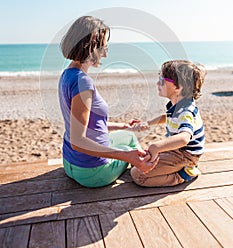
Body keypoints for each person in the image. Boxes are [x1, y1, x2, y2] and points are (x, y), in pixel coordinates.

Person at [58, 16, 158, 188]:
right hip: (92, 172)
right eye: (103, 47)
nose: (105, 53)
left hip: (70, 164)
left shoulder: (67, 75)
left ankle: (140, 163)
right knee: (130, 151)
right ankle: (146, 171)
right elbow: (78, 140)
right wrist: (127, 156)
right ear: (90, 47)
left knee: (129, 135)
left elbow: (87, 125)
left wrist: (122, 126)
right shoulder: (83, 83)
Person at [131, 60, 206, 187]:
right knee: (139, 161)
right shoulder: (178, 104)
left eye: (162, 80)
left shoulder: (186, 112)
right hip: (176, 150)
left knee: (138, 175)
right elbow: (168, 117)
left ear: (178, 87)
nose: (157, 83)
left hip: (185, 155)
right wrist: (148, 123)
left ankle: (183, 175)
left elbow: (184, 138)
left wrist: (156, 147)